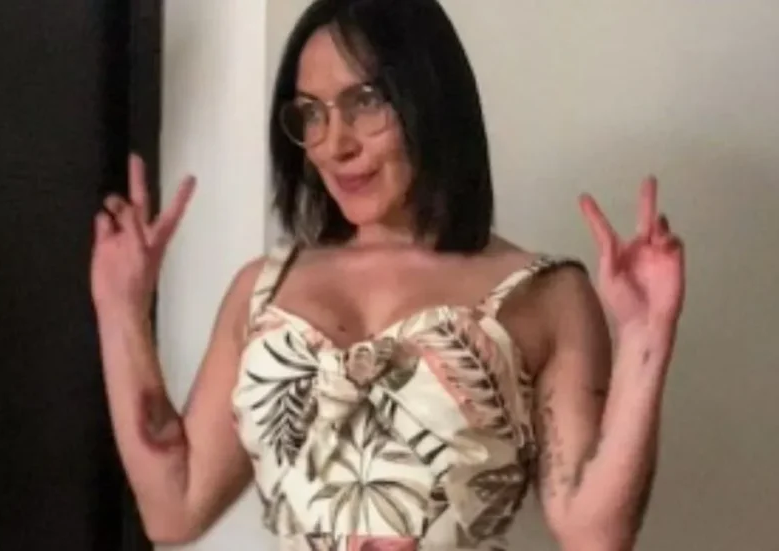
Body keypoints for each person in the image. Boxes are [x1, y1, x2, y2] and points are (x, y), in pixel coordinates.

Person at [90, 0, 685, 549]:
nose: (334, 144)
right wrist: (121, 308)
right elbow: (174, 509)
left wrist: (647, 336)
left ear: (430, 96)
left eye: (365, 102)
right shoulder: (261, 290)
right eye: (312, 113)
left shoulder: (545, 295)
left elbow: (594, 534)